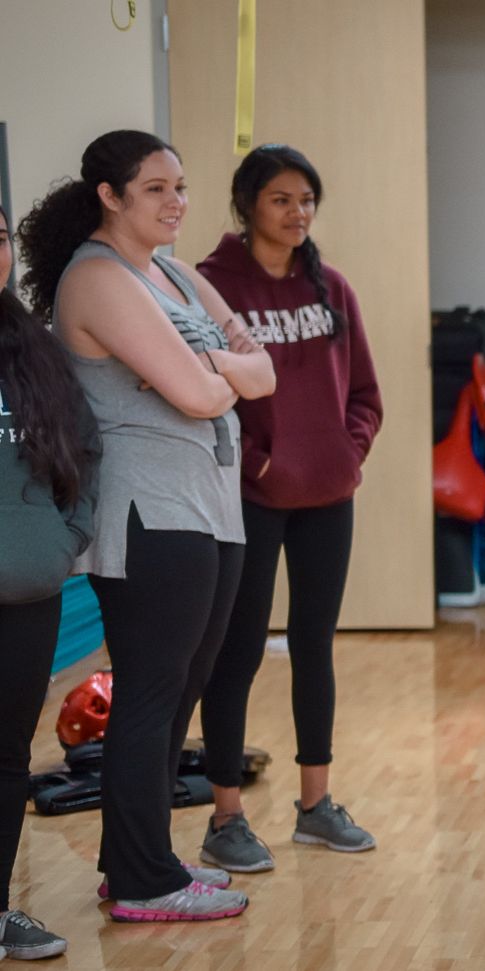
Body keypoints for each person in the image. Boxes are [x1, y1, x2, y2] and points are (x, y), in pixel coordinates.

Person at [21, 129, 275, 921]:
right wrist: (215, 373)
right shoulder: (96, 279)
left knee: (183, 687)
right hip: (149, 511)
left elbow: (259, 373)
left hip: (208, 504)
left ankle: (142, 858)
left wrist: (211, 368)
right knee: (151, 691)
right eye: (157, 189)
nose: (177, 202)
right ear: (110, 196)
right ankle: (141, 878)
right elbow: (203, 397)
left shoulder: (170, 273)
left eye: (181, 186)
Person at [193, 144, 383, 872]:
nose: (298, 213)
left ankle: (315, 804)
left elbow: (365, 392)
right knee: (235, 653)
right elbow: (203, 401)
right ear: (247, 205)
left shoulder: (330, 287)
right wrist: (258, 463)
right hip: (250, 498)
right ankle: (226, 815)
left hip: (328, 496)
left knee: (314, 645)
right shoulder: (212, 287)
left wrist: (346, 451)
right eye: (281, 199)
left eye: (307, 200)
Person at [0, 202, 99, 960]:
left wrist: (64, 540)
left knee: (8, 758)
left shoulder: (35, 349)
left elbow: (84, 452)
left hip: (27, 592)